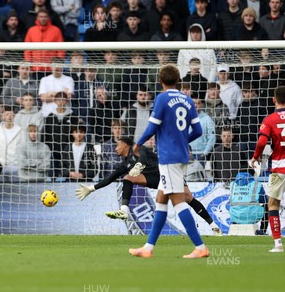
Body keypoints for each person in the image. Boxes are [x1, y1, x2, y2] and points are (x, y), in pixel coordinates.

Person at [126, 64, 208, 258]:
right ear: (178, 81)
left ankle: (200, 246)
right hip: (179, 156)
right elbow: (198, 131)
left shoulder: (162, 99)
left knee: (178, 202)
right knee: (161, 200)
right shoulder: (188, 100)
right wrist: (182, 141)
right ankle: (148, 248)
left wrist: (138, 144)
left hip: (169, 157)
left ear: (160, 81)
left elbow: (152, 128)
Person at [76, 136, 221, 234]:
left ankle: (213, 226)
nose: (115, 149)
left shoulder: (137, 149)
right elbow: (109, 178)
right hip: (153, 179)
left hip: (167, 172)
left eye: (117, 145)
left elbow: (144, 156)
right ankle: (124, 210)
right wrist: (91, 188)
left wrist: (139, 164)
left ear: (125, 145)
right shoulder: (124, 164)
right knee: (127, 178)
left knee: (188, 198)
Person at [251, 85, 285, 253]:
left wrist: (255, 157)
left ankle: (278, 244)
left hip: (279, 168)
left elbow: (262, 142)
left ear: (274, 100)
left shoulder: (270, 119)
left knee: (273, 204)